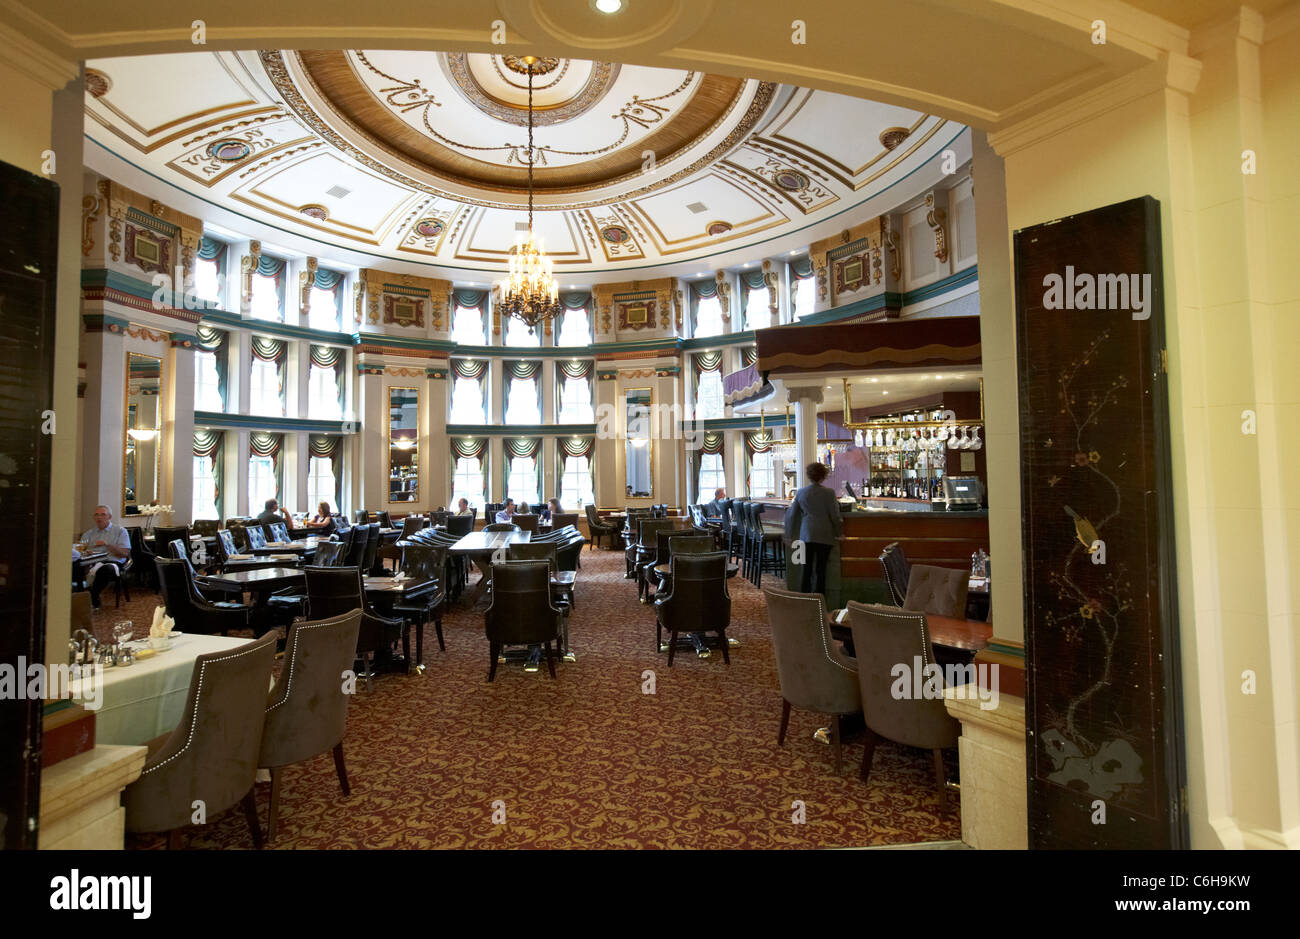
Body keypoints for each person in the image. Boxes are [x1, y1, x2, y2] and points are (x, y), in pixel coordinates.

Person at [784, 462, 842, 596]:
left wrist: (789, 535)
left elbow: (792, 515)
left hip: (806, 534)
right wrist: (839, 533)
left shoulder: (801, 492)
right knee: (821, 569)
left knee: (806, 568)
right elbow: (834, 515)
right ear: (823, 476)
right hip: (824, 534)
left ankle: (804, 597)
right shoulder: (829, 493)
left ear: (809, 476)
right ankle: (819, 598)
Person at [78, 505, 131, 609]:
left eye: (103, 515)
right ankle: (79, 598)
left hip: (112, 562)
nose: (99, 517)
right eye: (97, 515)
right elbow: (81, 551)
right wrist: (86, 552)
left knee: (105, 569)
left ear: (109, 516)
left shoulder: (120, 531)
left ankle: (92, 597)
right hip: (91, 562)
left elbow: (124, 553)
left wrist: (107, 545)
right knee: (75, 568)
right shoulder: (88, 534)